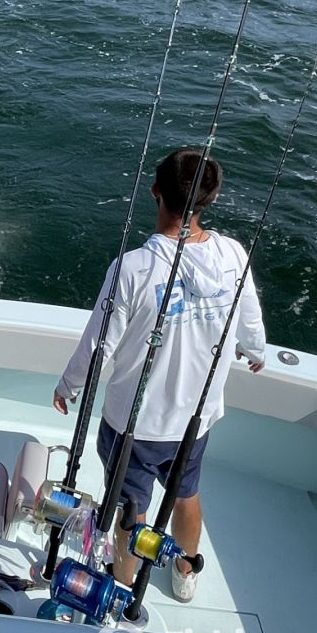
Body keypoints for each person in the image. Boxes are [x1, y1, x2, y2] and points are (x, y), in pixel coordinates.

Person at [53, 149, 266, 601]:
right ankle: (186, 570)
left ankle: (121, 581)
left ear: (156, 192)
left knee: (131, 507)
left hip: (134, 426)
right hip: (195, 421)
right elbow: (249, 319)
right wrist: (256, 350)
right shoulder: (233, 254)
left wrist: (69, 385)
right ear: (211, 199)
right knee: (185, 494)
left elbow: (99, 346)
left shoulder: (132, 268)